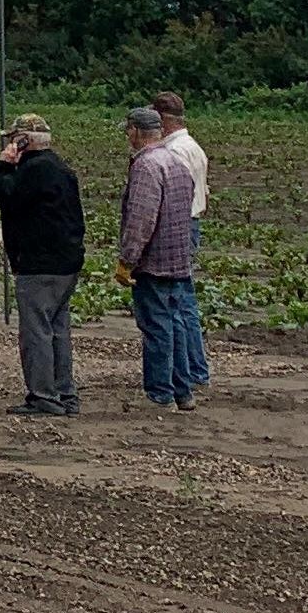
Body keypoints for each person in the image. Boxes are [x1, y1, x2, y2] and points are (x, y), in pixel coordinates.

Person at [0, 116, 85, 416]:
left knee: (36, 332)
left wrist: (4, 166)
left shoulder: (34, 170)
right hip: (66, 262)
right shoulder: (60, 167)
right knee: (58, 330)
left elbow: (8, 197)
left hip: (39, 263)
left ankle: (43, 395)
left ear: (23, 141)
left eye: (13, 139)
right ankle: (64, 393)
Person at [119, 103, 202, 410]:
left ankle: (159, 393)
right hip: (179, 261)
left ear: (137, 132)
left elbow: (141, 218)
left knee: (156, 329)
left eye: (128, 130)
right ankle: (183, 391)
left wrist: (127, 260)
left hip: (154, 264)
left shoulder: (146, 166)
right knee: (177, 326)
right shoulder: (177, 163)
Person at [154, 90, 213, 390]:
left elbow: (173, 196)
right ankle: (195, 369)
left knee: (177, 301)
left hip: (178, 225)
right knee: (185, 300)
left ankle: (189, 371)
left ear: (163, 121)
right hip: (192, 222)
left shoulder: (174, 152)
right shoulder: (195, 147)